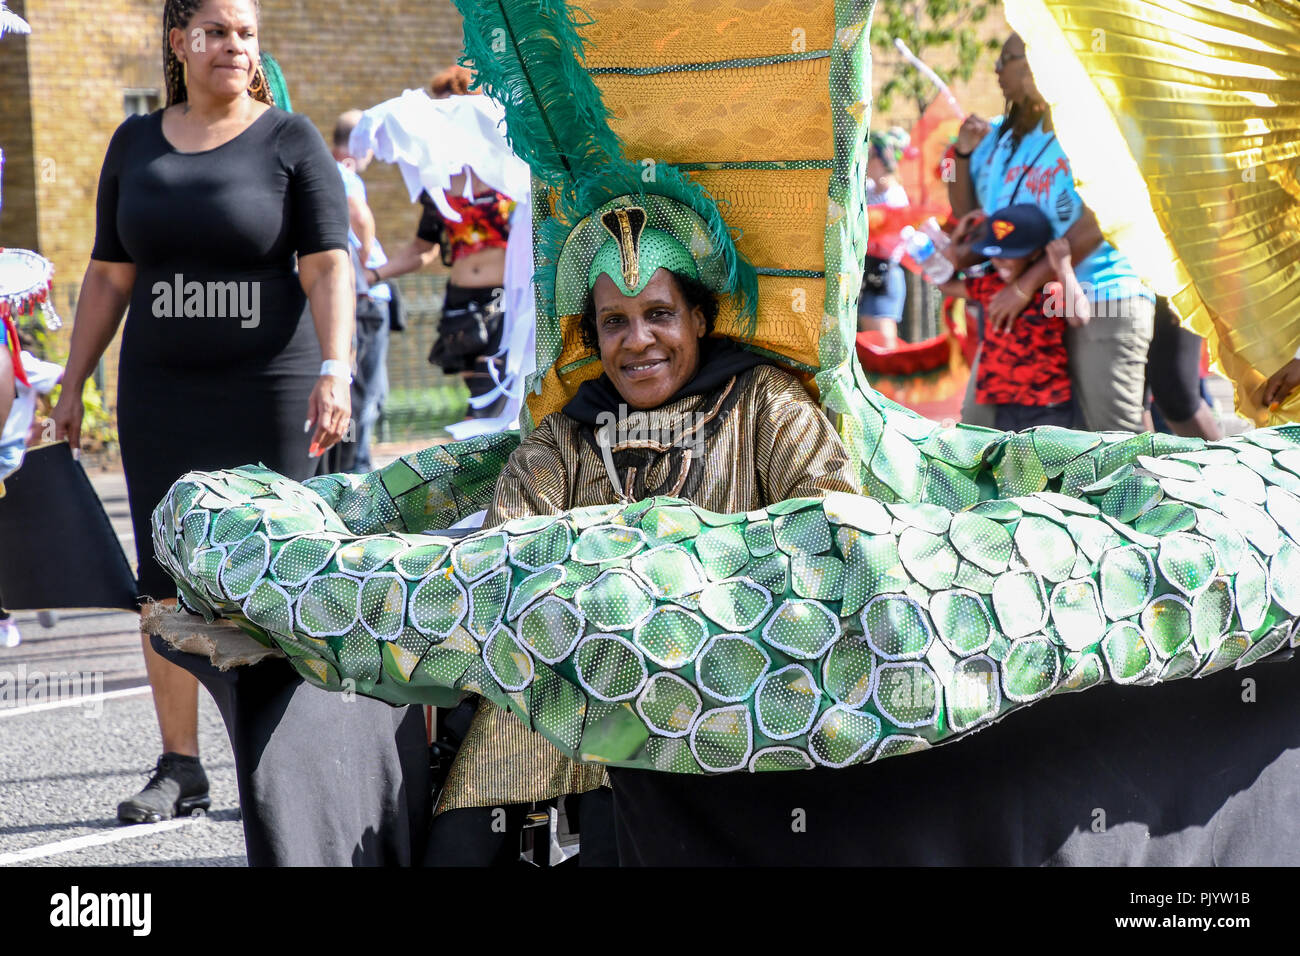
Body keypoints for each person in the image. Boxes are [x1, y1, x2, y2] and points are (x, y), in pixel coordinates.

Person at [426, 198, 860, 866]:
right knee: (463, 845)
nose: (637, 340)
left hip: (726, 702)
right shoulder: (566, 437)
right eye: (614, 322)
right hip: (567, 701)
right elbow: (499, 563)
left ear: (700, 319)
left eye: (659, 314)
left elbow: (833, 534)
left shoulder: (764, 403)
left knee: (636, 828)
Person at [50, 0, 353, 827]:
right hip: (161, 392)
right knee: (165, 578)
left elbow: (329, 265)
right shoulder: (135, 143)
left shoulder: (289, 139)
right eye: (217, 30)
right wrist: (74, 382)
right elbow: (110, 273)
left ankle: (285, 759)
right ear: (180, 42)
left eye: (246, 33)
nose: (234, 45)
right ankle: (181, 766)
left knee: (278, 566)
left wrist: (339, 368)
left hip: (271, 390)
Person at [948, 32, 1156, 433]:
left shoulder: (1092, 129)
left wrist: (1026, 284)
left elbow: (1104, 216)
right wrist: (958, 155)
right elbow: (966, 211)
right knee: (980, 430)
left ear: (1036, 63)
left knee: (1109, 439)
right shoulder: (1003, 137)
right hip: (1029, 309)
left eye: (1006, 59)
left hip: (1100, 297)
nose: (996, 70)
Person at [936, 204, 1088, 431]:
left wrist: (1064, 267)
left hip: (1047, 406)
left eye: (1010, 255)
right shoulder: (988, 286)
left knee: (1047, 465)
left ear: (1036, 253)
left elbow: (1080, 317)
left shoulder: (1050, 290)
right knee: (1009, 465)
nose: (1000, 262)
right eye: (995, 256)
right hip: (1003, 404)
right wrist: (957, 239)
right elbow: (944, 283)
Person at [332, 109, 392, 473]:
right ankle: (358, 471)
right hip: (365, 299)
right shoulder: (345, 173)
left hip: (362, 297)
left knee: (365, 391)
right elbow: (359, 213)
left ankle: (354, 465)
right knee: (366, 392)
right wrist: (369, 258)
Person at [858, 128, 911, 347]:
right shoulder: (868, 189)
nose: (867, 160)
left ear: (883, 161)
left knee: (883, 343)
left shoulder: (896, 197)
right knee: (869, 341)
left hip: (885, 274)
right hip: (867, 273)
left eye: (872, 155)